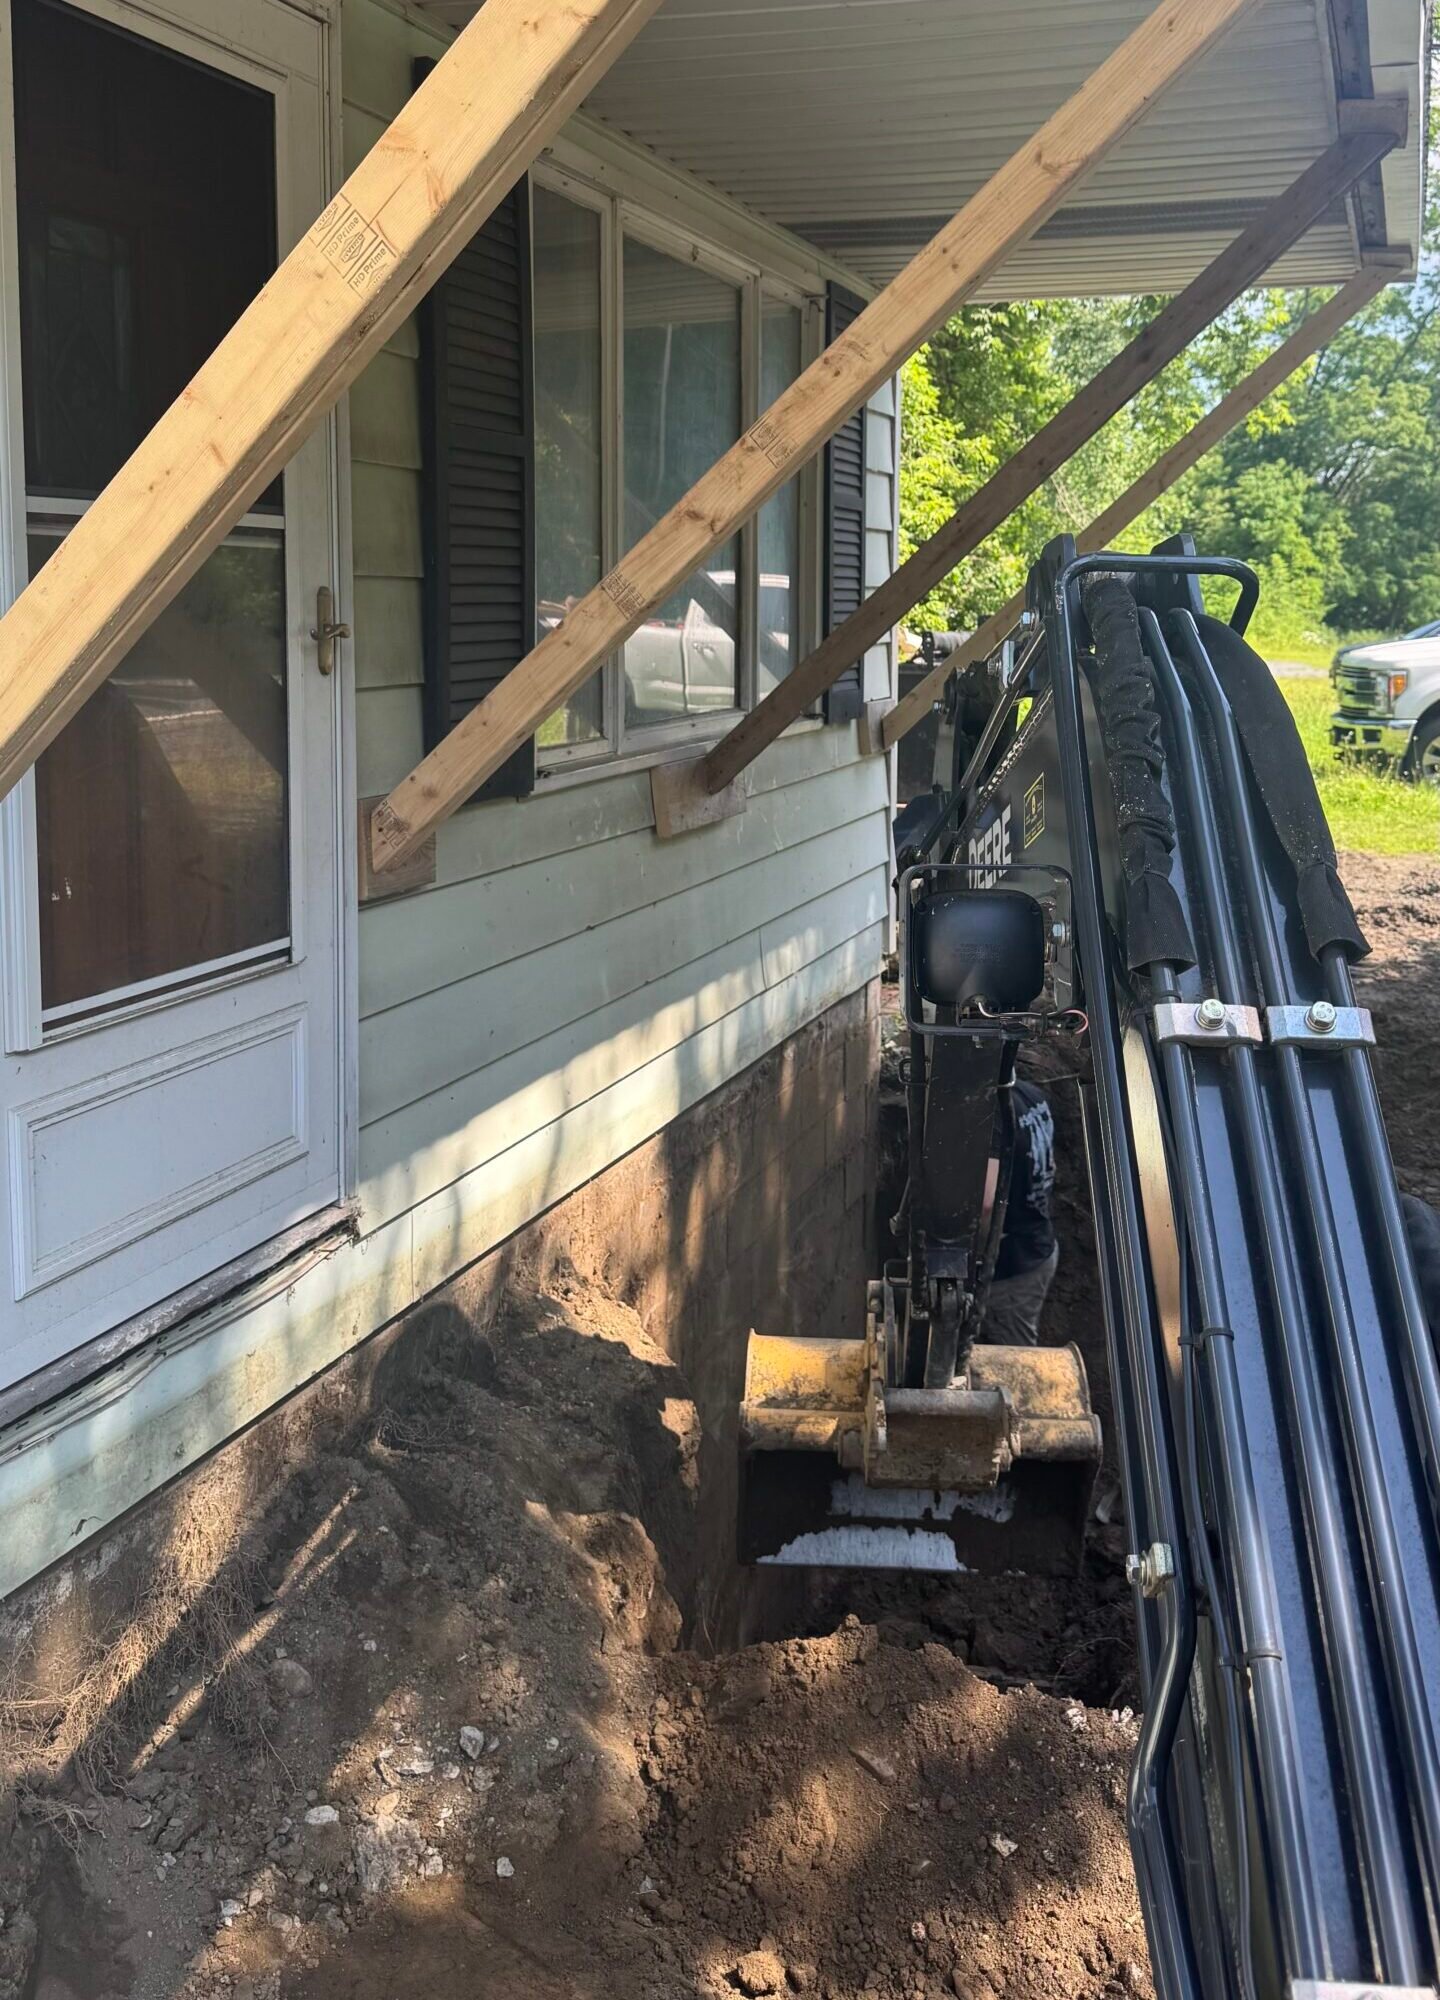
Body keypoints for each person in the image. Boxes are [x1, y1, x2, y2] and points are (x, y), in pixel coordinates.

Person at [984, 1079, 1058, 1345]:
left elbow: (986, 1202)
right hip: (1037, 1243)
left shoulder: (992, 1111)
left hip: (1014, 1267)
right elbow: (1051, 1165)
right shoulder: (1033, 1095)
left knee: (1014, 1368)